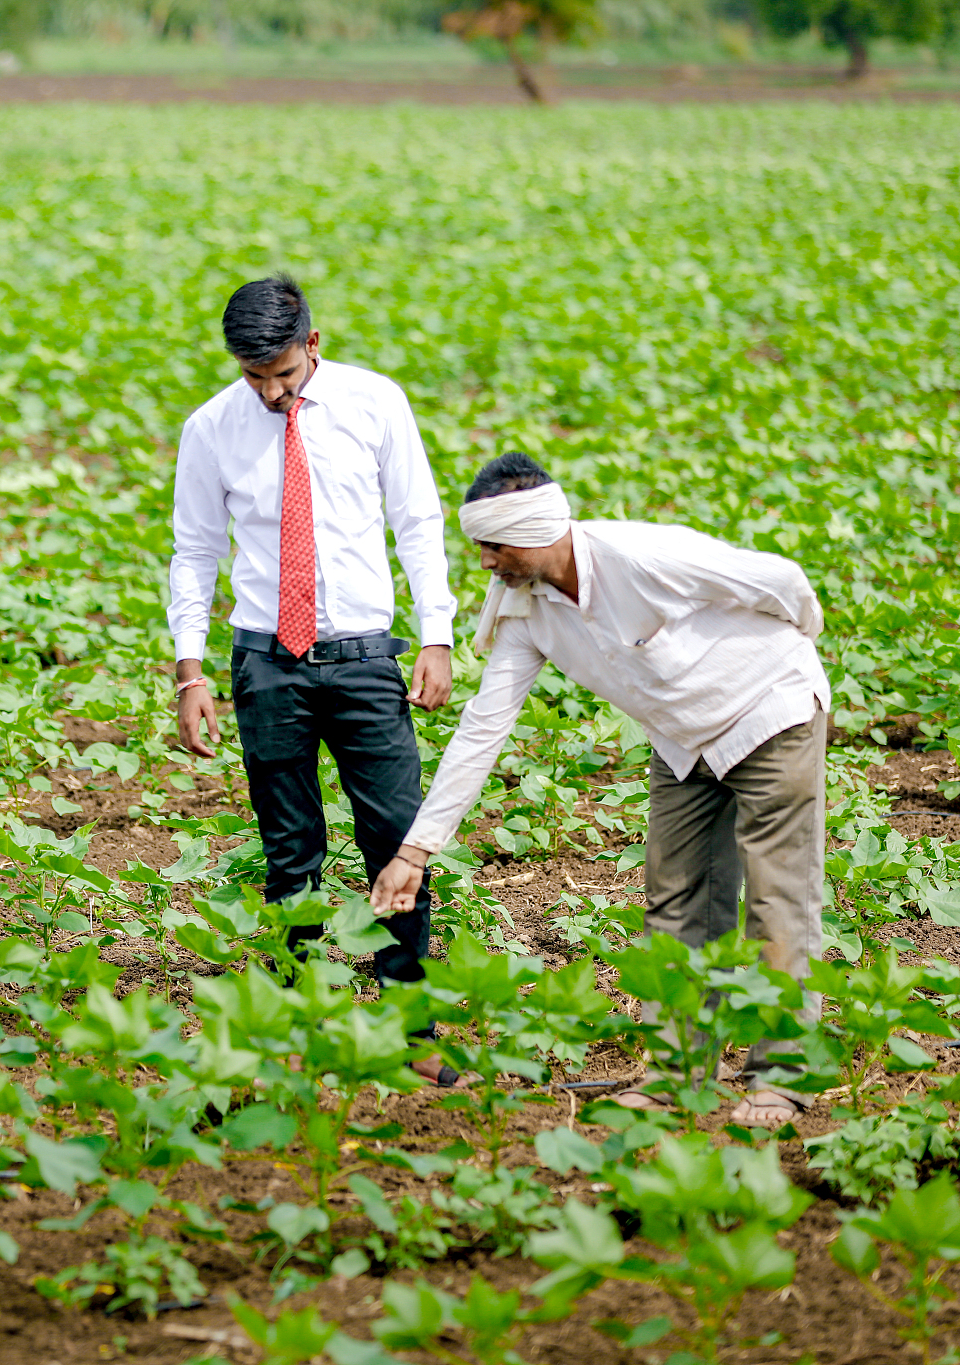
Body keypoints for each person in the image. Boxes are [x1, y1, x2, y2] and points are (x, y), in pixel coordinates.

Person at [371, 450, 830, 1126]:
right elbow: (482, 730)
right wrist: (416, 851)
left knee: (776, 896)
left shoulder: (641, 555)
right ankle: (676, 1073)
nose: (486, 562)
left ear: (535, 531)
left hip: (769, 713)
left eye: (495, 546)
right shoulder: (527, 613)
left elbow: (783, 580)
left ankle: (783, 1079)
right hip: (683, 743)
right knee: (676, 904)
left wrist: (792, 653)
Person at [169, 276, 458, 1083]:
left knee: (396, 838)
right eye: (253, 375)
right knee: (289, 849)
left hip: (364, 658)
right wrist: (190, 671)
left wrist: (436, 635)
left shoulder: (375, 404)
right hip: (267, 662)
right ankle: (294, 1024)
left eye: (284, 374)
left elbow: (417, 520)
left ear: (314, 344)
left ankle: (411, 1028)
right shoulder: (212, 428)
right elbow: (195, 550)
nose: (271, 391)